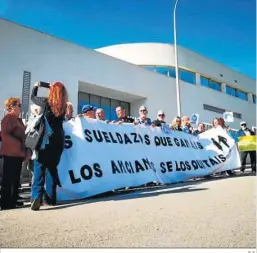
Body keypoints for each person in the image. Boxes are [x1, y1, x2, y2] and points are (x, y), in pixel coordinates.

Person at [30, 81, 68, 211]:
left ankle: (36, 197)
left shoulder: (47, 102)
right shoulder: (63, 106)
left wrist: (36, 86)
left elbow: (33, 98)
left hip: (46, 140)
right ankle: (51, 200)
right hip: (58, 142)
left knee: (39, 167)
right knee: (51, 169)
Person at [0, 97, 30, 209]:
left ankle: (12, 202)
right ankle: (6, 204)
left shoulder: (19, 120)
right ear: (12, 107)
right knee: (8, 180)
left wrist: (26, 149)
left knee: (15, 179)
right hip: (9, 154)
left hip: (18, 155)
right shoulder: (8, 118)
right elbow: (5, 135)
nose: (21, 108)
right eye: (19, 105)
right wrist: (19, 145)